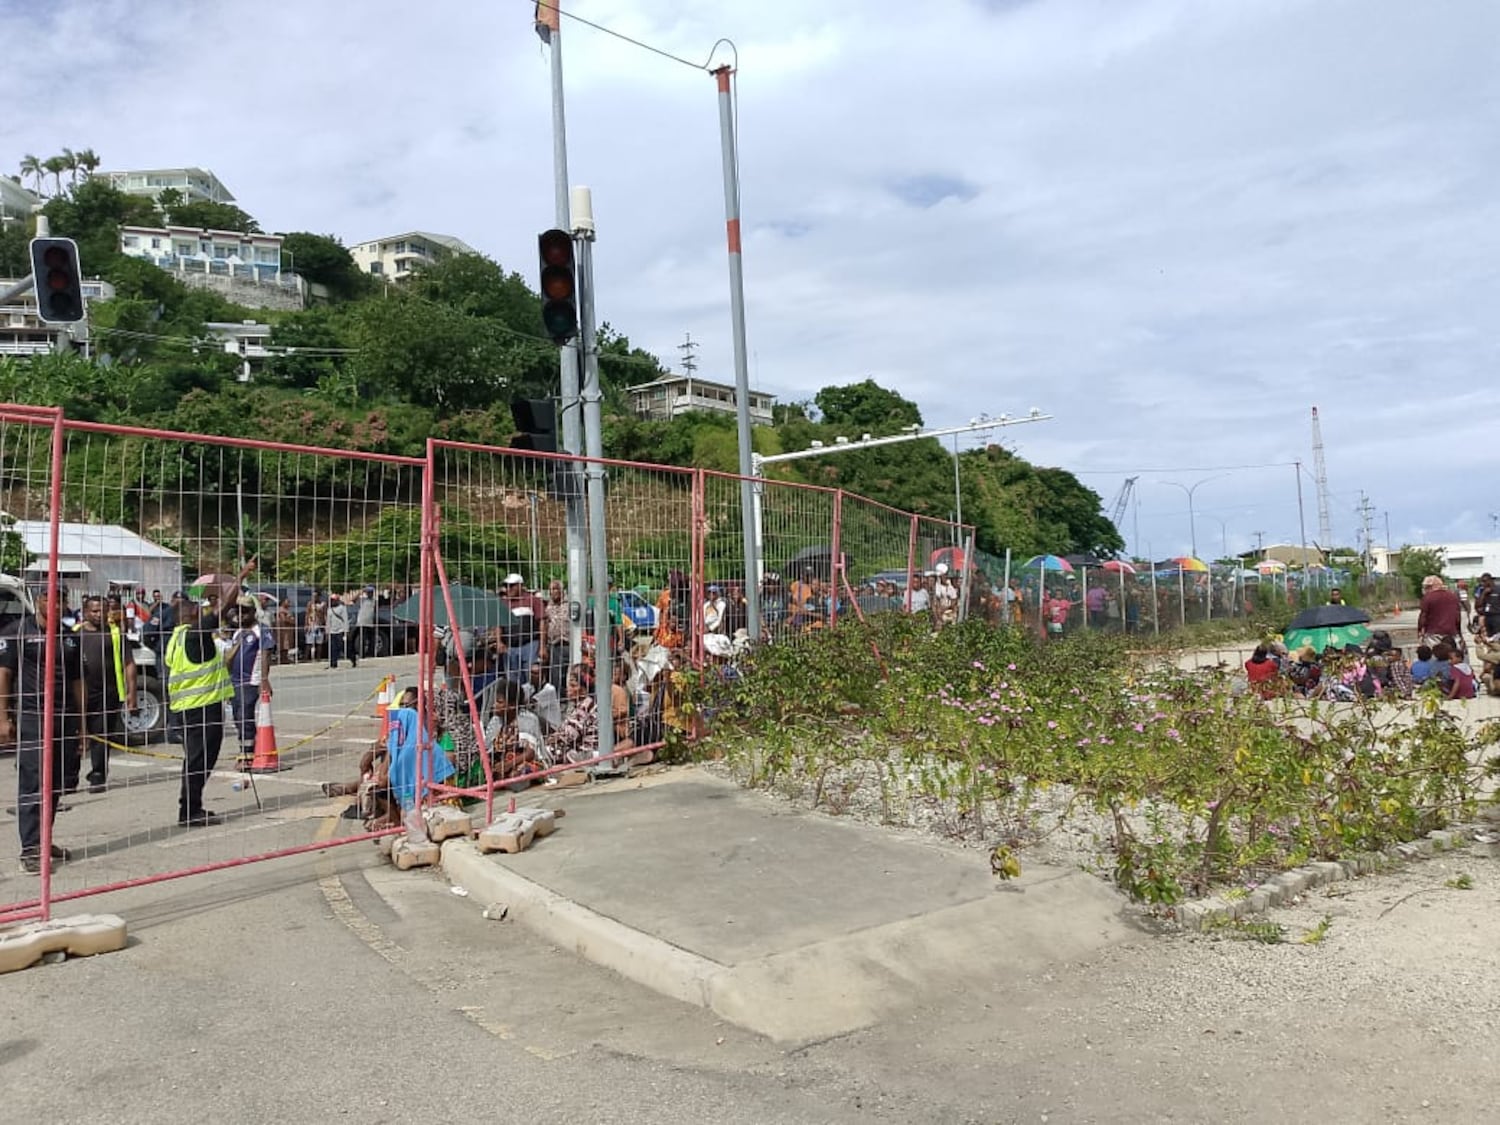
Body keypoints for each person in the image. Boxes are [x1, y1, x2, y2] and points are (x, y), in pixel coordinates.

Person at [1, 586, 85, 873]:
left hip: (64, 717)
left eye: (63, 598)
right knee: (33, 783)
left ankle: (43, 838)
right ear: (39, 600)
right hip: (32, 717)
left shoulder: (70, 638)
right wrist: (3, 718)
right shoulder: (17, 632)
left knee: (58, 782)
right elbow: (4, 675)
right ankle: (30, 848)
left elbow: (77, 683)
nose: (58, 604)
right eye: (52, 597)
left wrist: (82, 725)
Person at [166, 565, 253, 828]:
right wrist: (241, 576)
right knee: (200, 759)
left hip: (187, 708)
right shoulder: (195, 634)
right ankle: (190, 810)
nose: (202, 610)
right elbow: (223, 609)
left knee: (195, 759)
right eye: (198, 608)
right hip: (202, 708)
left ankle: (191, 806)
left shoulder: (177, 638)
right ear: (190, 613)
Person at [76, 594, 138, 793]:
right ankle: (68, 778)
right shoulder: (74, 634)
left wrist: (132, 694)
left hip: (106, 693)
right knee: (73, 734)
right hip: (78, 693)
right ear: (85, 612)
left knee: (101, 735)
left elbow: (129, 664)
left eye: (103, 610)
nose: (98, 614)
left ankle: (98, 775)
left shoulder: (115, 634)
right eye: (94, 611)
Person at [226, 594, 275, 769]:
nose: (241, 614)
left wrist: (264, 679)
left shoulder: (261, 630)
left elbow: (266, 655)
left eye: (245, 611)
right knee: (237, 717)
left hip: (251, 680)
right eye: (238, 611)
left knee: (245, 715)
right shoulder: (237, 631)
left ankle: (247, 755)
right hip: (235, 681)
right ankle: (246, 749)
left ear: (253, 612)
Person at [499, 573, 546, 684]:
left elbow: (542, 622)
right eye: (506, 586)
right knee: (513, 681)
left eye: (511, 586)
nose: (508, 589)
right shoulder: (503, 604)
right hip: (510, 647)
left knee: (532, 677)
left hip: (530, 644)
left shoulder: (533, 600)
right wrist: (499, 641)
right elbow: (498, 624)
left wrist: (542, 646)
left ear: (520, 586)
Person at [1417, 576, 1463, 653]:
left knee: (1435, 656)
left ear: (1431, 586)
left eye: (1426, 587)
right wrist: (1459, 632)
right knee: (1452, 655)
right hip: (1451, 632)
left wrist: (1420, 630)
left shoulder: (1427, 598)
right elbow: (1457, 617)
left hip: (1433, 633)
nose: (1424, 589)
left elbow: (1423, 616)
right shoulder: (1453, 597)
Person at [544, 579, 572, 694]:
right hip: (554, 645)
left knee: (569, 673)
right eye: (551, 589)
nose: (553, 592)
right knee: (555, 674)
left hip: (568, 644)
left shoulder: (569, 605)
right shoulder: (548, 607)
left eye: (555, 588)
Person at [326, 593, 353, 669]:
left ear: (337, 601)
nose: (332, 602)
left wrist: (346, 631)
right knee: (333, 648)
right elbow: (328, 621)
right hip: (332, 631)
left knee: (342, 647)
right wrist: (327, 631)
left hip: (340, 631)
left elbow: (345, 619)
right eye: (331, 600)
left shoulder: (342, 608)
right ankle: (333, 663)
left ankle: (352, 658)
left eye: (334, 600)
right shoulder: (329, 610)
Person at [352, 586, 377, 661]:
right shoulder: (362, 600)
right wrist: (361, 591)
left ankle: (371, 653)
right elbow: (353, 600)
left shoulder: (374, 601)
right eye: (369, 592)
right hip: (362, 622)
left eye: (371, 593)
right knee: (362, 638)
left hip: (370, 622)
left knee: (371, 639)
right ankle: (362, 654)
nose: (370, 594)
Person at [1473, 573, 1500, 639]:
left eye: (1484, 581)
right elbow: (1478, 605)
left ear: (1490, 581)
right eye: (1482, 581)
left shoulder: (1498, 589)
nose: (1483, 583)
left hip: (1497, 617)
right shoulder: (1483, 590)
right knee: (1489, 639)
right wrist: (1484, 593)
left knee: (1497, 638)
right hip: (1487, 617)